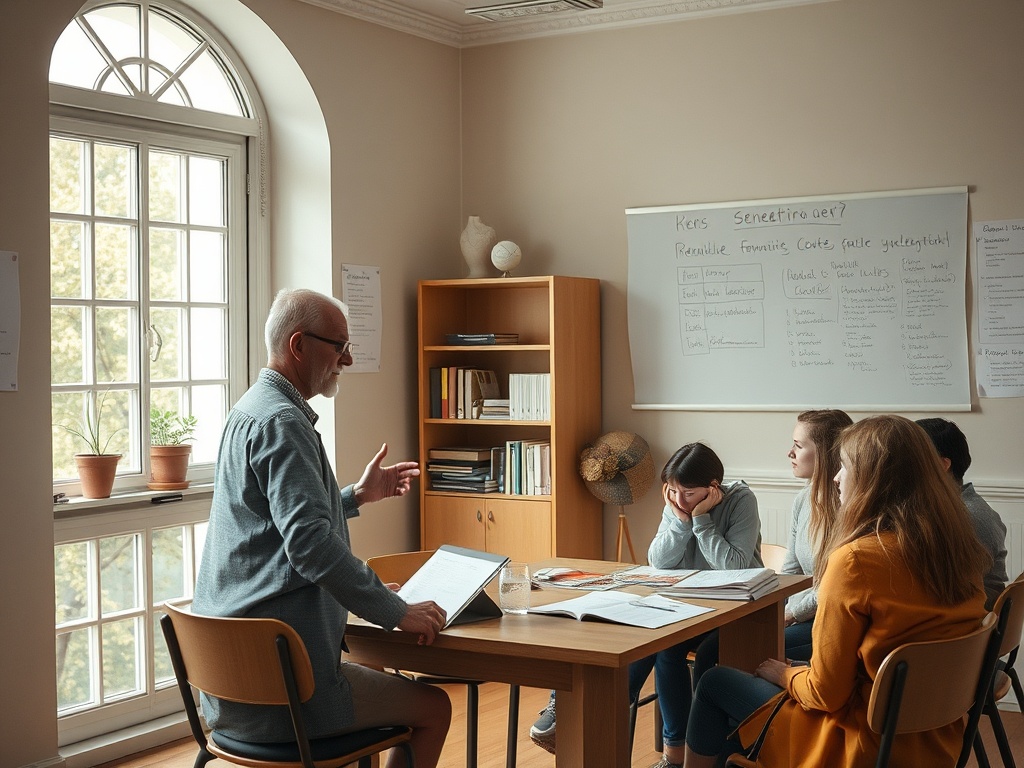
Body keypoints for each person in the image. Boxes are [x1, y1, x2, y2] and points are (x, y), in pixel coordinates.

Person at [191, 288, 451, 768]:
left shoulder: (249, 409)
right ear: (297, 345)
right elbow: (309, 548)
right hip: (287, 694)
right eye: (339, 346)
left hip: (227, 692)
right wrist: (396, 610)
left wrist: (355, 496)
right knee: (434, 706)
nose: (347, 359)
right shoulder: (285, 422)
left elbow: (268, 526)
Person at [682, 415, 991, 768]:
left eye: (844, 466)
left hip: (858, 742)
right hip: (935, 740)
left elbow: (825, 696)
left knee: (713, 683)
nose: (835, 477)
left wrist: (784, 673)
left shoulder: (857, 560)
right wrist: (799, 669)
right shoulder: (958, 547)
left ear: (874, 479)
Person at [531, 442, 763, 768]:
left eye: (690, 493)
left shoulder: (740, 500)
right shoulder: (677, 501)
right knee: (642, 637)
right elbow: (658, 560)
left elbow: (736, 566)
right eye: (673, 491)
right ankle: (620, 726)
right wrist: (682, 520)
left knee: (666, 648)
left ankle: (598, 718)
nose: (680, 500)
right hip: (685, 607)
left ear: (713, 488)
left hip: (735, 612)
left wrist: (700, 521)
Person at [778, 408, 852, 660]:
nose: (790, 453)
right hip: (796, 615)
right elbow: (790, 570)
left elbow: (834, 585)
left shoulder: (849, 504)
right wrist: (776, 612)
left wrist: (792, 615)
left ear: (825, 452)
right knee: (717, 644)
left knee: (731, 649)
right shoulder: (803, 499)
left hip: (828, 619)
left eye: (798, 445)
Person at [916, 417, 1008, 608]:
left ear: (943, 465)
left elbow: (951, 593)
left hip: (969, 627)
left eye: (914, 458)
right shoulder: (957, 510)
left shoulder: (969, 518)